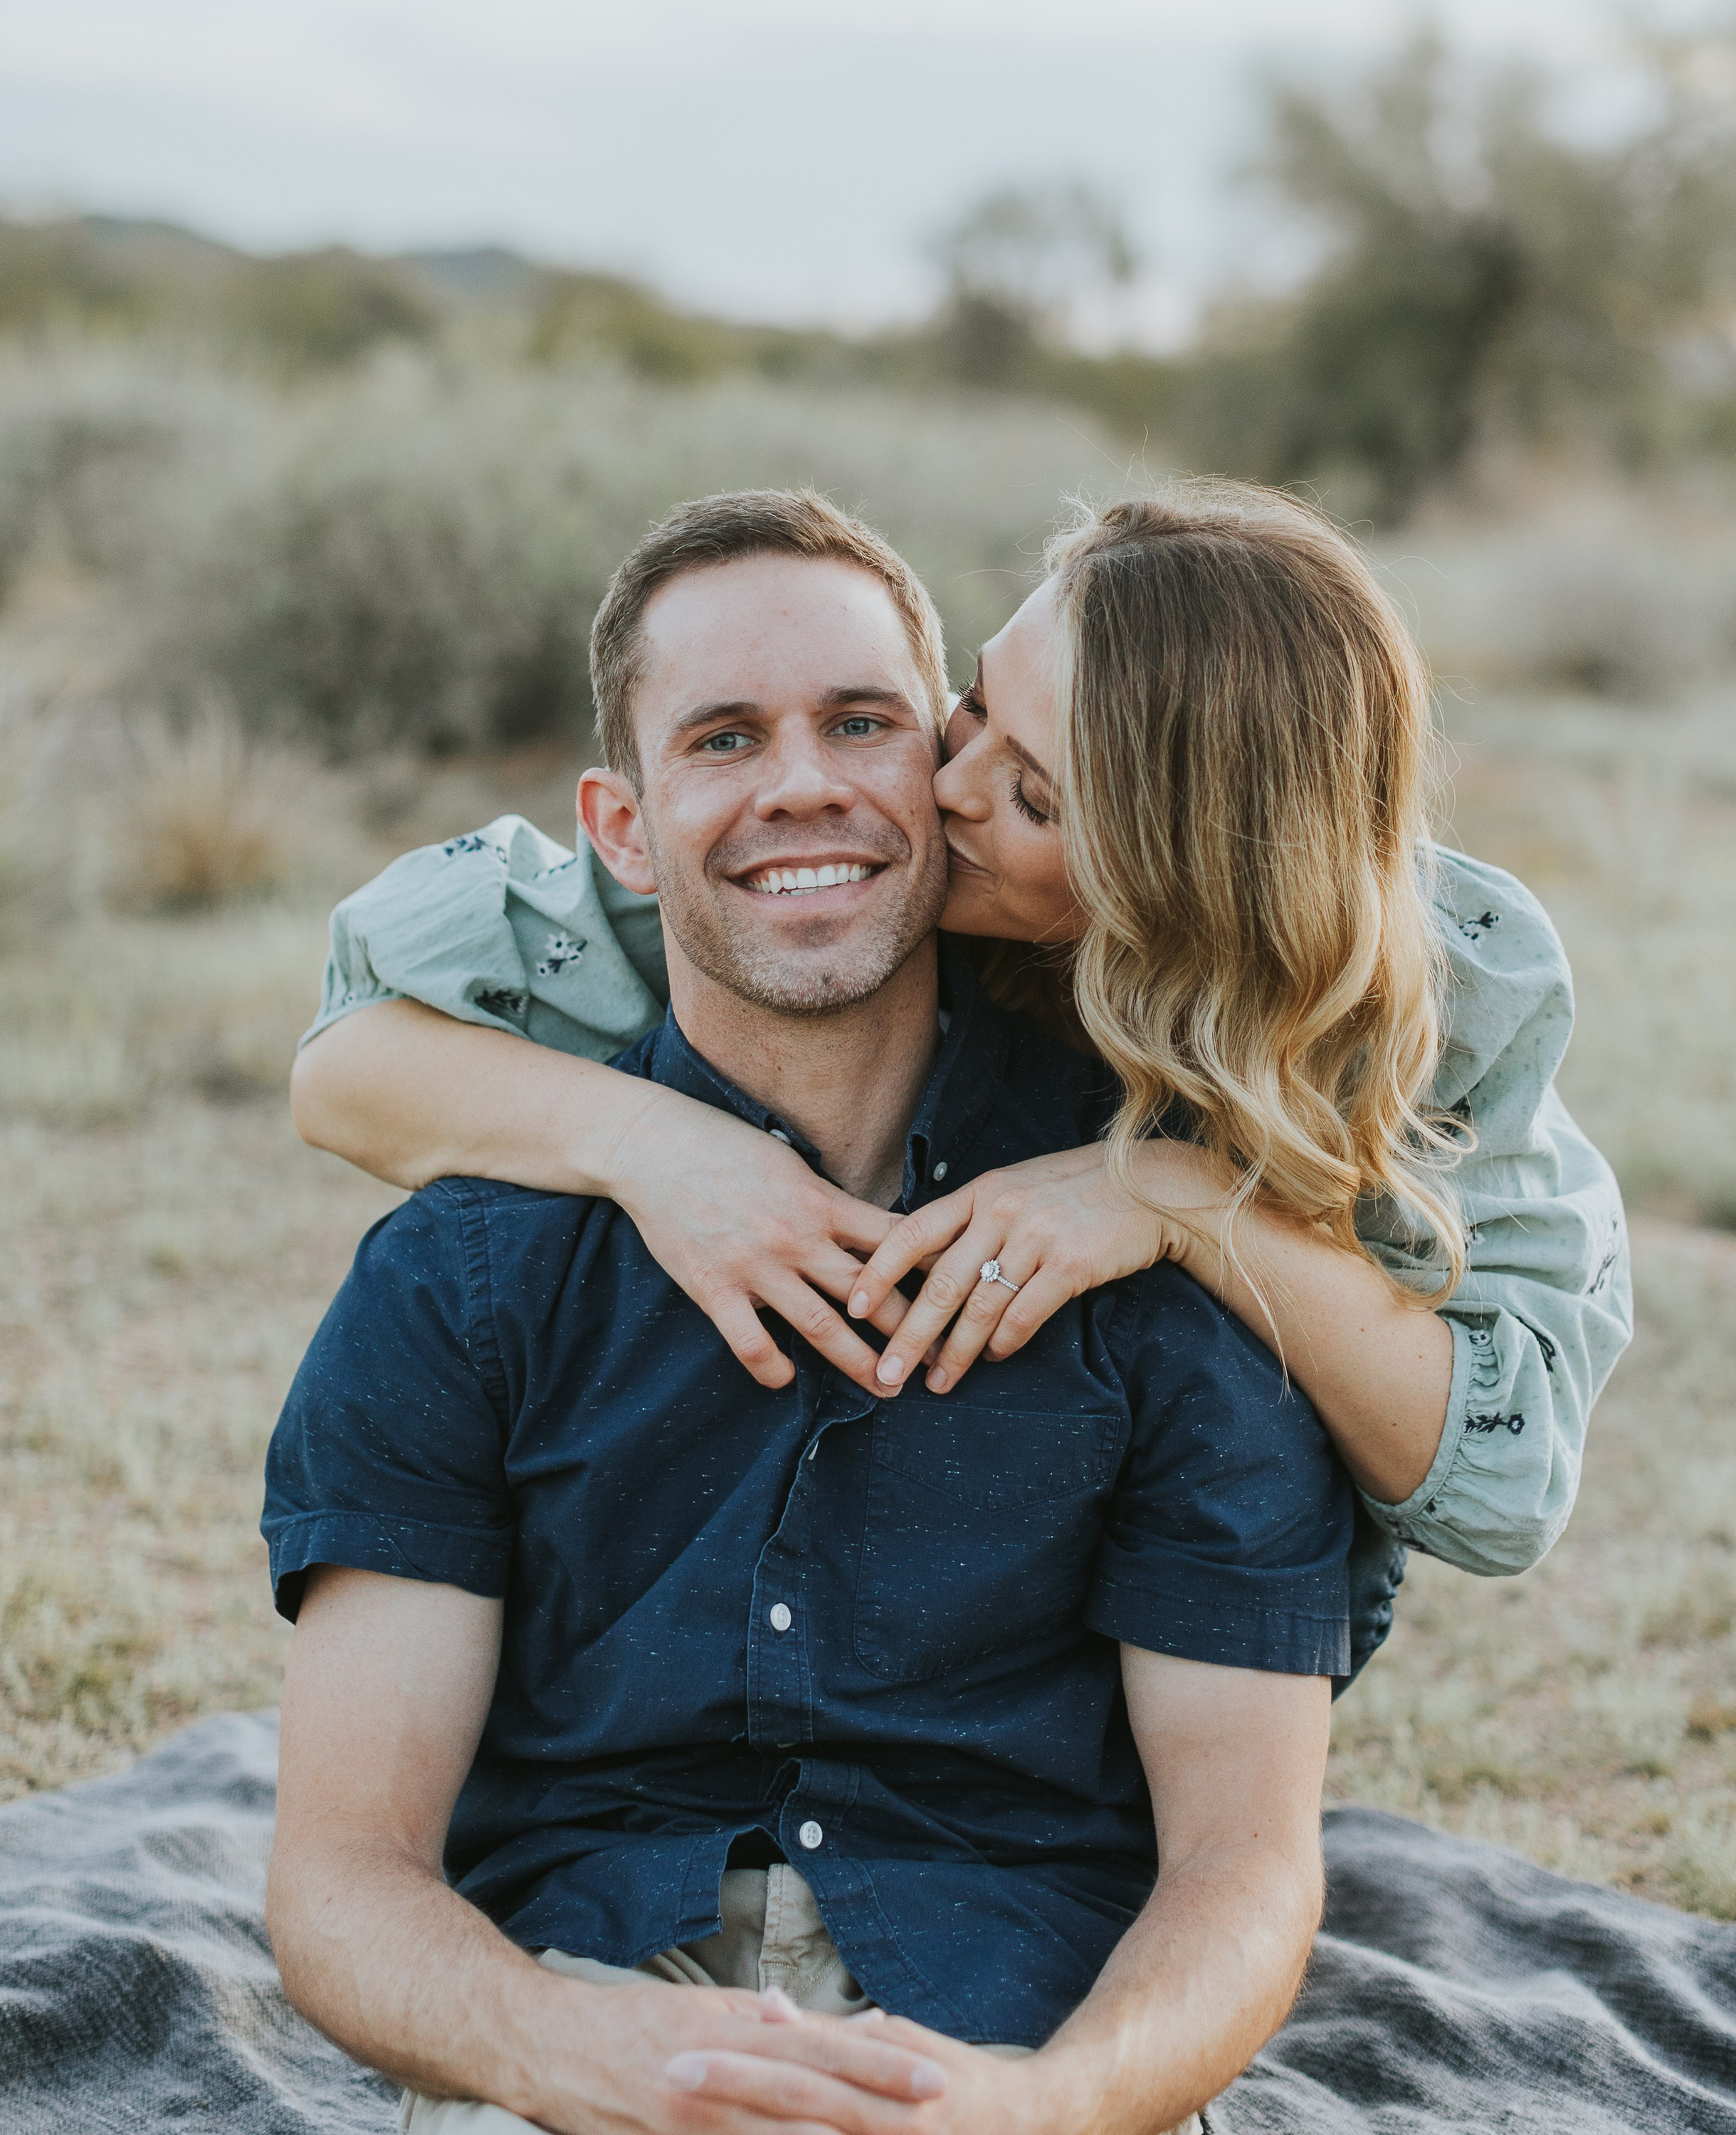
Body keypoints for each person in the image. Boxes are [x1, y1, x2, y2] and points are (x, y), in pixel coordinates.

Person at [263, 494, 1353, 2135]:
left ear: (959, 769)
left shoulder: (1166, 1248)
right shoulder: (465, 1278)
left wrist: (1046, 2108)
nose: (802, 785)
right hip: (587, 2019)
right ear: (620, 832)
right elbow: (344, 1873)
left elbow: (1244, 1869)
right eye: (721, 738)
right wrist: (562, 2058)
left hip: (1016, 2031)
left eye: (862, 723)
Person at [292, 480, 1631, 1677]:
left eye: (1037, 797)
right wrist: (660, 1147)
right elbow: (347, 1065)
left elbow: (1502, 1484)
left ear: (1172, 878)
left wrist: (1175, 1197)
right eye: (975, 706)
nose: (947, 788)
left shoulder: (1424, 985)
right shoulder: (815, 862)